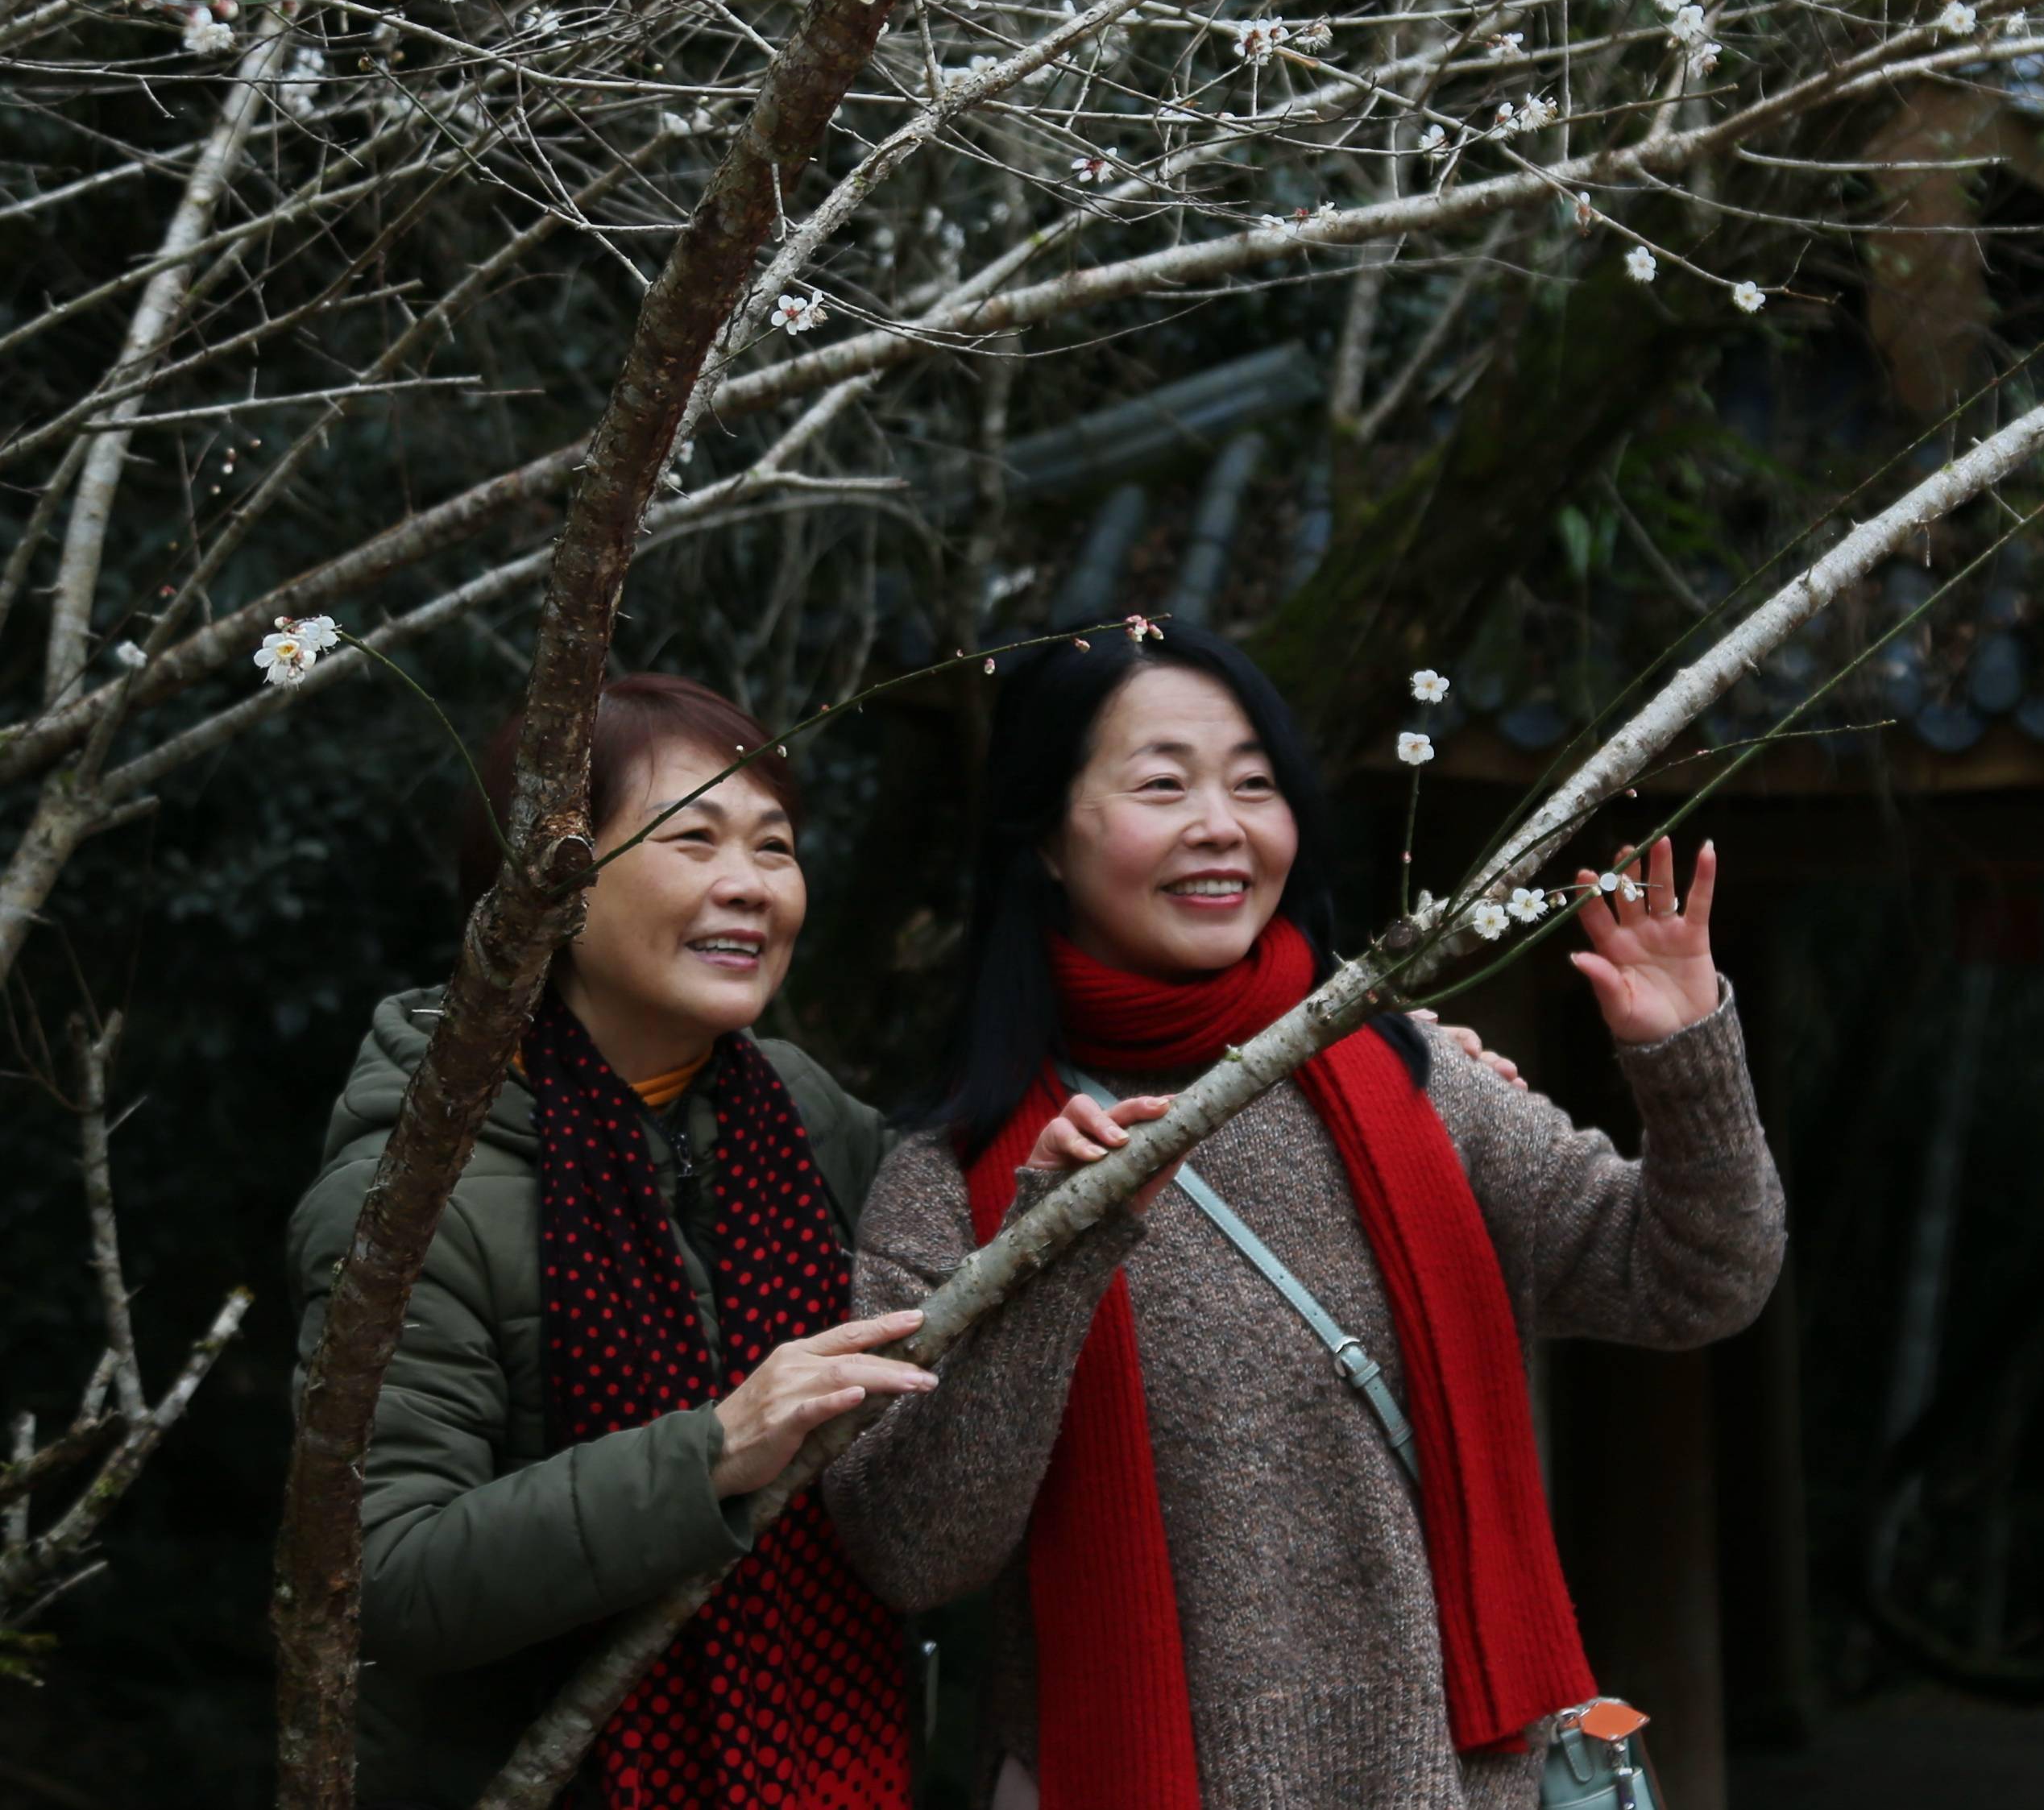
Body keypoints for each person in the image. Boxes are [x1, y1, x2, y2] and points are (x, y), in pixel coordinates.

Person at [823, 620, 1783, 1810]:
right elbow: (911, 1544)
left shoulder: (1414, 1079)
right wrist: (1052, 1253)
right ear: (1045, 840)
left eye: (1254, 782)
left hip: (1455, 1778)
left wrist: (1686, 1058)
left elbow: (1694, 1280)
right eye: (1162, 782)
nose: (1221, 824)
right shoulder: (952, 1175)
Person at [285, 674, 924, 1810]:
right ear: (552, 884)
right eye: (693, 839)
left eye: (774, 847)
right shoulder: (412, 1196)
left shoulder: (795, 1110)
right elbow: (379, 1581)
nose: (749, 886)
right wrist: (713, 1451)